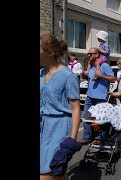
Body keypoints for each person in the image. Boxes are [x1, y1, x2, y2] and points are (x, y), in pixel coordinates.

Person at [40, 33, 81, 180]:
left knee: (46, 173)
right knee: (58, 171)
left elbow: (76, 108)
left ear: (49, 53)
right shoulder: (40, 74)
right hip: (43, 127)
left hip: (59, 127)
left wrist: (72, 140)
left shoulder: (68, 76)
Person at [79, 48, 116, 146]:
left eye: (91, 53)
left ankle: (99, 138)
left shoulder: (104, 66)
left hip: (101, 97)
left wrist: (101, 75)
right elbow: (92, 79)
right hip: (90, 96)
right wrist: (85, 76)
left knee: (99, 119)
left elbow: (113, 79)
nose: (89, 55)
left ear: (97, 54)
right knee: (86, 118)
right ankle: (86, 138)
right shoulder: (91, 65)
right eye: (88, 53)